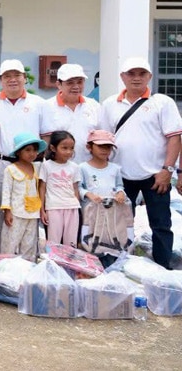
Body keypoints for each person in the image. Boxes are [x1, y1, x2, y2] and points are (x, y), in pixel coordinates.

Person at [102, 57, 182, 269]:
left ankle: (162, 269)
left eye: (141, 74)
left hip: (156, 176)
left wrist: (168, 169)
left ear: (149, 76)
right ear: (123, 77)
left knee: (161, 225)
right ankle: (120, 268)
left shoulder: (162, 102)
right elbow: (104, 139)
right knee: (120, 226)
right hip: (120, 176)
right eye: (131, 73)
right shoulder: (110, 104)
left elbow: (174, 137)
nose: (136, 78)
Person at [0, 59, 46, 253]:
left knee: (30, 210)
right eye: (7, 76)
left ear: (24, 78)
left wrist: (40, 162)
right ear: (0, 79)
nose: (12, 80)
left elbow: (45, 135)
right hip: (4, 163)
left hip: (31, 166)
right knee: (0, 211)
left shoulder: (38, 103)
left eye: (17, 75)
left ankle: (28, 257)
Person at [79, 129, 130, 262]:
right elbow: (79, 187)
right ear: (89, 147)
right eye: (100, 146)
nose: (105, 150)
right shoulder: (83, 168)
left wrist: (120, 193)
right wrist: (88, 194)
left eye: (108, 147)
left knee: (110, 234)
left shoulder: (115, 168)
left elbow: (119, 185)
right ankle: (93, 260)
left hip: (111, 209)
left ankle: (112, 259)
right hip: (92, 210)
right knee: (92, 234)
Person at [42, 63, 102, 163]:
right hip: (58, 170)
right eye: (70, 83)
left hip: (88, 168)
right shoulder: (46, 106)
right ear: (59, 84)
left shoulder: (94, 106)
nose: (76, 86)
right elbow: (45, 141)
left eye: (80, 82)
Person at [0, 132, 45, 261]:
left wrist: (41, 209)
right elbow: (6, 191)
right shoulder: (10, 169)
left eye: (35, 150)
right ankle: (6, 269)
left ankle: (27, 271)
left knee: (29, 244)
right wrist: (7, 211)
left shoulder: (37, 168)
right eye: (28, 150)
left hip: (33, 212)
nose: (32, 153)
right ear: (18, 152)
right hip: (16, 212)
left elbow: (39, 189)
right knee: (10, 243)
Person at [40, 131, 82, 247]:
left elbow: (75, 188)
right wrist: (42, 209)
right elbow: (42, 188)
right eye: (64, 148)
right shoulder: (46, 166)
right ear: (53, 148)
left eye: (71, 148)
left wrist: (76, 205)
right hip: (53, 207)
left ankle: (69, 264)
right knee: (53, 241)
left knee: (71, 241)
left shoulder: (75, 167)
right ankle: (52, 263)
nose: (68, 152)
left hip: (72, 207)